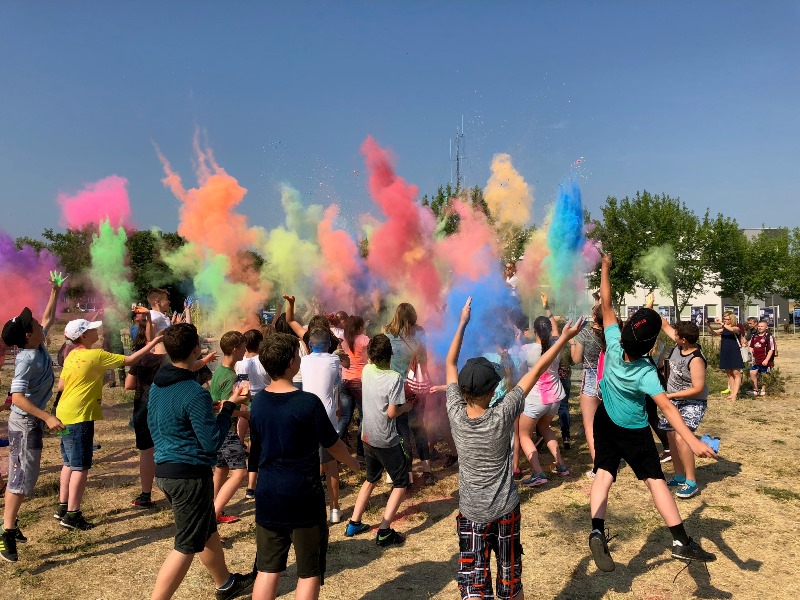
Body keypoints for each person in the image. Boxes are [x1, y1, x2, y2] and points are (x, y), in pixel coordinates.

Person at [445, 296, 584, 600]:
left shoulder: (455, 412)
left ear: (463, 390)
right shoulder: (504, 412)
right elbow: (536, 371)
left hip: (471, 513)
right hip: (506, 510)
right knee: (510, 581)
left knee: (473, 584)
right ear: (492, 391)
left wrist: (462, 322)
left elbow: (451, 362)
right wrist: (563, 339)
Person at [588, 253, 716, 573]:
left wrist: (605, 268)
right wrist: (693, 441)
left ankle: (597, 531)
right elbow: (668, 408)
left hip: (604, 420)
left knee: (604, 474)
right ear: (649, 346)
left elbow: (606, 304)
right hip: (633, 430)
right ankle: (680, 542)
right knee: (655, 481)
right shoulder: (646, 371)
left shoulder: (613, 344)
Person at [248, 333, 360, 600]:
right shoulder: (308, 402)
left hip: (268, 494)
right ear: (290, 363)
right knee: (309, 572)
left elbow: (256, 447)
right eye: (298, 355)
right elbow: (333, 444)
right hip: (303, 496)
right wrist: (353, 463)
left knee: (267, 569)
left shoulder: (258, 402)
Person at [147, 323, 254, 600]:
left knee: (206, 530)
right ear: (196, 348)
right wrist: (229, 407)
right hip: (189, 476)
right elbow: (211, 442)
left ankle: (226, 584)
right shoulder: (194, 392)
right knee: (186, 544)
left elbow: (163, 421)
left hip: (165, 469)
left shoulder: (159, 384)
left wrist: (214, 408)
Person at [56, 318, 163, 530]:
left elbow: (61, 386)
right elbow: (130, 360)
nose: (97, 331)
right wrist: (153, 343)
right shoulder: (96, 355)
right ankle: (72, 515)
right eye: (92, 330)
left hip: (64, 413)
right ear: (83, 336)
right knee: (80, 467)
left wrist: (96, 381)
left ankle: (62, 507)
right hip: (80, 416)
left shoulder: (72, 355)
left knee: (68, 463)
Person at [1, 272, 66, 562]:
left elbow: (48, 318)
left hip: (29, 423)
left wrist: (55, 291)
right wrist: (47, 416)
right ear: (28, 334)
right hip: (25, 423)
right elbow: (16, 397)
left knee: (25, 476)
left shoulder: (36, 344)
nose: (39, 322)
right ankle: (6, 533)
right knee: (21, 478)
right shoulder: (26, 360)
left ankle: (10, 523)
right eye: (33, 323)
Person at [345, 334, 413, 547]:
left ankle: (354, 523)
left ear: (371, 356)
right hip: (386, 439)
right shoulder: (395, 378)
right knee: (401, 482)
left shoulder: (366, 370)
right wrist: (406, 407)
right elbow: (392, 413)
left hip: (367, 436)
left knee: (371, 479)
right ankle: (384, 531)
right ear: (390, 355)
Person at [518, 294, 570, 486]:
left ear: (534, 331)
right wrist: (547, 307)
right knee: (545, 428)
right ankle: (561, 465)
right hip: (554, 399)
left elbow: (520, 373)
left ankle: (538, 473)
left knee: (524, 434)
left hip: (535, 400)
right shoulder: (556, 346)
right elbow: (556, 330)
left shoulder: (526, 350)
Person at [657, 321, 709, 499]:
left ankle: (691, 481)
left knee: (682, 437)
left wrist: (670, 396)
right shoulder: (680, 344)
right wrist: (649, 308)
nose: (674, 336)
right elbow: (664, 325)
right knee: (671, 436)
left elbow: (698, 388)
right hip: (674, 401)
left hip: (692, 402)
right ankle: (679, 475)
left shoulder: (696, 359)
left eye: (676, 335)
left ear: (684, 339)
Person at [384, 303, 434, 485]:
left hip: (397, 387)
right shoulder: (420, 332)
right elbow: (424, 358)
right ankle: (427, 471)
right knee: (419, 427)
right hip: (417, 386)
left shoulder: (389, 334)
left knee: (402, 430)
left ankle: (409, 474)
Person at [299, 328, 344, 524]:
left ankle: (309, 507)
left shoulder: (304, 361)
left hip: (306, 416)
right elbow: (337, 382)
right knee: (331, 465)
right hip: (327, 417)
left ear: (310, 345)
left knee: (310, 464)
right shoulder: (334, 360)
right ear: (329, 345)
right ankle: (334, 509)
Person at [124, 327, 170, 509]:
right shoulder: (173, 361)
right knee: (167, 449)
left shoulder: (141, 359)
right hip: (166, 409)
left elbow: (128, 385)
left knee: (146, 452)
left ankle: (145, 495)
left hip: (143, 409)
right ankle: (172, 493)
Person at [210, 331, 249, 524]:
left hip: (216, 428)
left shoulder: (219, 370)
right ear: (235, 350)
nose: (245, 351)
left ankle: (213, 507)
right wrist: (245, 414)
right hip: (227, 430)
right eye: (243, 348)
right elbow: (226, 407)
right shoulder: (231, 377)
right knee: (240, 473)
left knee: (221, 469)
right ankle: (214, 514)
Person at [235, 329, 270, 499]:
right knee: (265, 442)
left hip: (247, 400)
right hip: (265, 401)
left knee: (254, 443)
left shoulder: (240, 362)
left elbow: (240, 382)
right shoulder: (263, 361)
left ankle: (250, 486)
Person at [571, 304, 605, 477]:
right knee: (607, 423)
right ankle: (610, 460)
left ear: (594, 316)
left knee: (590, 425)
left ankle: (598, 467)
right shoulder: (612, 334)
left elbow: (576, 359)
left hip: (591, 379)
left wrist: (572, 342)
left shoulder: (585, 334)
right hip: (609, 379)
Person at [339, 315, 370, 456]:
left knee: (345, 417)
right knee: (364, 417)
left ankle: (334, 448)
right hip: (359, 382)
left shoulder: (344, 341)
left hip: (345, 381)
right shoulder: (364, 340)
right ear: (359, 328)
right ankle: (360, 451)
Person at [708, 310, 744, 400]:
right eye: (724, 319)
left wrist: (721, 323)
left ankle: (735, 394)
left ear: (732, 319)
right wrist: (708, 325)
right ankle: (732, 393)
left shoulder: (737, 328)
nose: (725, 321)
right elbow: (712, 332)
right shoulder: (724, 329)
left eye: (727, 319)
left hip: (734, 351)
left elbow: (732, 330)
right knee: (729, 373)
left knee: (736, 373)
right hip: (725, 352)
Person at [748, 319, 776, 397]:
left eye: (762, 326)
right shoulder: (754, 336)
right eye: (759, 326)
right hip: (755, 359)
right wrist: (751, 354)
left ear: (766, 327)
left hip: (765, 359)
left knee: (765, 375)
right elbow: (751, 346)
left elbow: (771, 349)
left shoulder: (769, 337)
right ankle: (756, 390)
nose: (760, 328)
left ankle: (763, 390)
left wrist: (766, 360)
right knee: (752, 373)